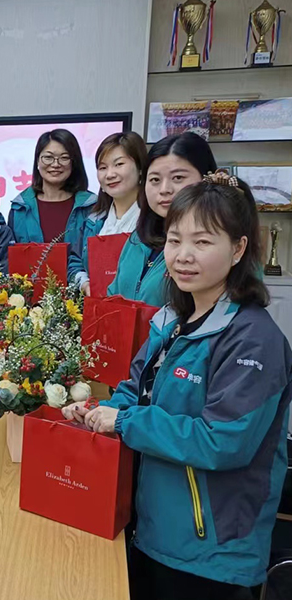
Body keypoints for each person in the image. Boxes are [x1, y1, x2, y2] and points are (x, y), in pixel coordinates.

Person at [64, 173, 291, 600]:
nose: (183, 255)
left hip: (211, 550)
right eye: (174, 240)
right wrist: (96, 411)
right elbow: (135, 390)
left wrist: (124, 421)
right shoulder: (170, 319)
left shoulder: (253, 339)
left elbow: (221, 442)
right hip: (152, 525)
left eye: (202, 242)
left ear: (238, 248)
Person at [108, 132, 216, 307]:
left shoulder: (217, 244)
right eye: (155, 179)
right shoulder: (138, 237)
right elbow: (113, 294)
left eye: (178, 178)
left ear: (207, 179)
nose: (164, 189)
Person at [69, 132, 147, 295]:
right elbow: (75, 262)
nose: (110, 174)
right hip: (98, 305)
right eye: (103, 168)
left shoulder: (153, 220)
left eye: (119, 164)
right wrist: (85, 284)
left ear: (140, 168)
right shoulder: (93, 220)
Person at [8, 129, 96, 255]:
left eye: (64, 158)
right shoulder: (20, 208)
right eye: (48, 157)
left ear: (74, 162)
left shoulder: (91, 206)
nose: (55, 164)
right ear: (37, 160)